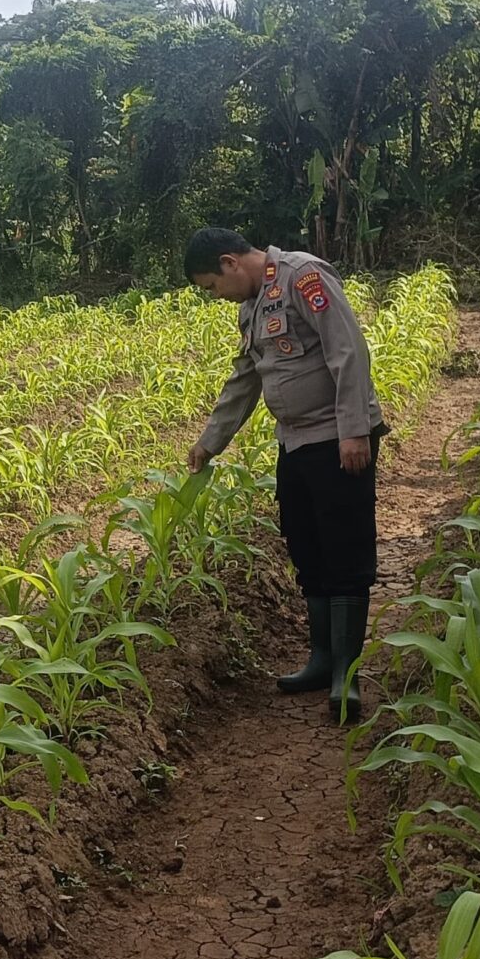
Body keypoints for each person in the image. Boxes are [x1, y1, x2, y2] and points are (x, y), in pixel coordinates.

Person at [181, 227, 386, 721]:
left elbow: (348, 350)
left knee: (344, 548)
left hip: (339, 439)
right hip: (295, 442)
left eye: (211, 285)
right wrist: (211, 440)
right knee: (305, 543)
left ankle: (346, 674)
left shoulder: (303, 276)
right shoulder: (251, 307)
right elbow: (245, 378)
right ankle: (321, 659)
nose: (215, 296)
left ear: (230, 263)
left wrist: (354, 430)